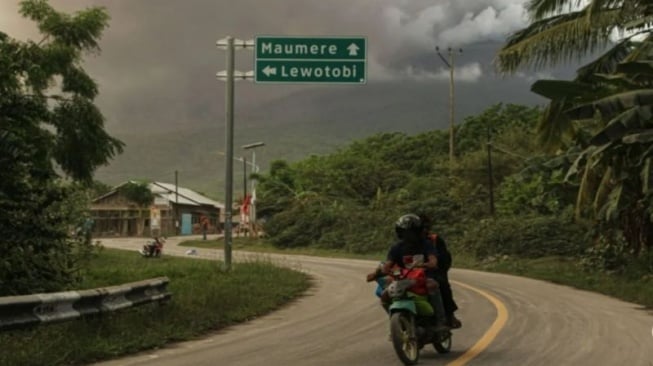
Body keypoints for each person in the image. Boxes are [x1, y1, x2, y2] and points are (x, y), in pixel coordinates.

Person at [382, 213, 449, 332]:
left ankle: (440, 320)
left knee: (432, 285)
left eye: (411, 232)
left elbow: (433, 261)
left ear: (417, 232)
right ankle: (395, 322)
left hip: (424, 276)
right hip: (404, 278)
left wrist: (424, 265)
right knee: (385, 294)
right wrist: (385, 269)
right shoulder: (396, 248)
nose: (408, 236)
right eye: (404, 232)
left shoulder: (426, 244)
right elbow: (388, 264)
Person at [419, 214, 462, 329]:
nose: (425, 230)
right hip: (413, 273)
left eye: (426, 227)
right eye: (422, 227)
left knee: (442, 284)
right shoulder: (408, 242)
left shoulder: (434, 240)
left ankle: (449, 315)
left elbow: (445, 258)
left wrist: (435, 266)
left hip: (433, 271)